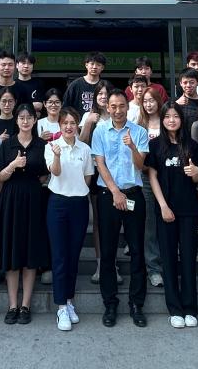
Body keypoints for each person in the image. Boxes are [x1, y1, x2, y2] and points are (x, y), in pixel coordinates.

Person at [91, 89, 150, 328]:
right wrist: (115, 192)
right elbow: (100, 163)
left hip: (134, 194)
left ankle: (136, 304)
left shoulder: (139, 132)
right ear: (107, 107)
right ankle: (110, 304)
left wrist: (133, 147)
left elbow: (141, 165)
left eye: (121, 106)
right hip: (108, 196)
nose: (117, 110)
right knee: (107, 252)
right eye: (113, 106)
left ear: (128, 106)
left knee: (137, 251)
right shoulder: (100, 131)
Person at [0, 104, 49, 324]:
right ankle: (12, 305)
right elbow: (0, 176)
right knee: (13, 250)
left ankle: (25, 305)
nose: (25, 121)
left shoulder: (41, 144)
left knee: (30, 250)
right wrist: (14, 165)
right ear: (16, 120)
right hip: (11, 198)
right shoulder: (7, 144)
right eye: (21, 117)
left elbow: (44, 175)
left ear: (35, 120)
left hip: (34, 198)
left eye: (29, 117)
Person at [147, 105, 198, 329]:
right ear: (162, 120)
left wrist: (196, 173)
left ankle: (190, 308)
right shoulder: (155, 145)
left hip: (189, 209)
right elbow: (152, 177)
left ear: (182, 120)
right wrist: (162, 206)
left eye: (176, 116)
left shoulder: (192, 145)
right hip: (166, 209)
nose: (171, 120)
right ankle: (175, 309)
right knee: (168, 259)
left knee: (188, 258)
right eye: (167, 117)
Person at [45, 107, 95, 331]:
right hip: (58, 204)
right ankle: (61, 307)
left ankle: (69, 300)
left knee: (74, 255)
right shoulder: (51, 147)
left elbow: (87, 177)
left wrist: (78, 190)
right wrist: (57, 156)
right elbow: (55, 172)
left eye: (72, 123)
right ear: (60, 125)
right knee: (60, 256)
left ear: (77, 125)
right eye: (64, 123)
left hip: (79, 204)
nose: (68, 126)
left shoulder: (85, 149)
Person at [79, 79, 119, 285]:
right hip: (96, 173)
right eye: (100, 94)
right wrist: (88, 122)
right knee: (99, 221)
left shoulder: (119, 114)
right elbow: (81, 143)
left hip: (119, 173)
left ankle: (113, 264)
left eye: (106, 93)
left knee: (117, 220)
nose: (103, 97)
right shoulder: (89, 116)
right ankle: (101, 264)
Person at [137, 86, 164, 288]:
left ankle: (168, 263)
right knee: (150, 225)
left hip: (168, 177)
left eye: (151, 100)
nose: (148, 104)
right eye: (145, 101)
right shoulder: (139, 125)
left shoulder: (167, 121)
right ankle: (153, 268)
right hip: (146, 178)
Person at [63, 51, 107, 115]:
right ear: (86, 65)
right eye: (92, 64)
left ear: (102, 68)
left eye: (98, 65)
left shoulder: (105, 86)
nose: (94, 67)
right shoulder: (75, 85)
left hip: (100, 120)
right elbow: (65, 107)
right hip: (78, 121)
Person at [173, 67, 198, 139]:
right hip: (181, 140)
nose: (188, 85)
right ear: (180, 83)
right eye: (185, 82)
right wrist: (176, 104)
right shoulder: (174, 102)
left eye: (192, 82)